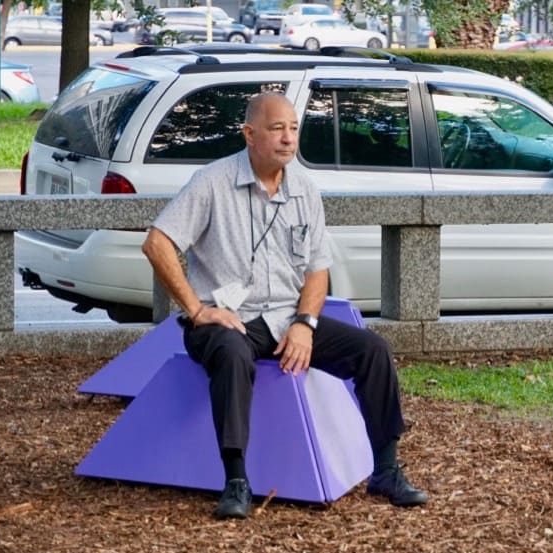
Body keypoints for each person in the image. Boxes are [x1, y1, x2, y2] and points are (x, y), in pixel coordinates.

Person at [141, 91, 428, 519]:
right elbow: (157, 242)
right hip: (226, 320)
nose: (288, 139)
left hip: (285, 319)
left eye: (293, 129)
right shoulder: (212, 182)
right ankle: (236, 480)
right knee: (232, 353)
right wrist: (197, 310)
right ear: (249, 134)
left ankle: (385, 469)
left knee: (374, 351)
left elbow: (317, 269)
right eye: (277, 129)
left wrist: (305, 323)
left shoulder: (304, 190)